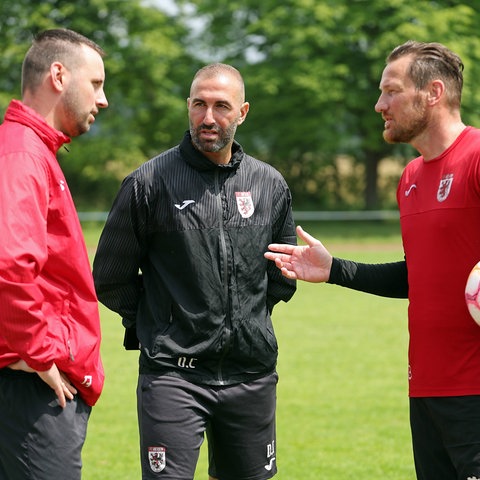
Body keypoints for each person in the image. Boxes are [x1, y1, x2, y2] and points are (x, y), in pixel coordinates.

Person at [265, 40, 480, 480]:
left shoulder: (477, 158)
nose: (379, 104)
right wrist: (334, 269)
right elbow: (417, 276)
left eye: (391, 91)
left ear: (433, 93)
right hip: (426, 389)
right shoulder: (411, 177)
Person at [92, 63, 296, 480]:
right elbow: (110, 277)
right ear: (188, 106)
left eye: (222, 106)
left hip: (251, 375)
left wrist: (244, 320)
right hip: (173, 377)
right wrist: (157, 323)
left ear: (243, 112)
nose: (208, 117)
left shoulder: (269, 185)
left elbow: (282, 274)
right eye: (199, 104)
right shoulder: (147, 183)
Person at [0, 29, 108, 479]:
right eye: (97, 84)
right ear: (59, 75)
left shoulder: (28, 150)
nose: (102, 100)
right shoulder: (23, 154)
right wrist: (40, 352)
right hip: (32, 386)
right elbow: (9, 263)